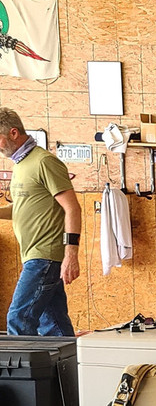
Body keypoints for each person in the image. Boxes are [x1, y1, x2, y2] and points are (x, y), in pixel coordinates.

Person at [0, 108, 80, 336]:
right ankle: (69, 371)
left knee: (19, 319)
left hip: (44, 256)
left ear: (13, 133)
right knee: (54, 326)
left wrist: (71, 255)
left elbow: (72, 207)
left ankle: (23, 372)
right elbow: (23, 209)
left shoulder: (44, 162)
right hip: (35, 256)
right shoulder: (20, 165)